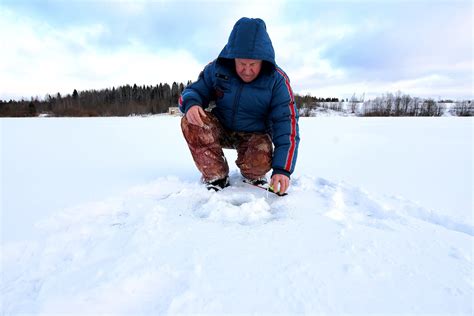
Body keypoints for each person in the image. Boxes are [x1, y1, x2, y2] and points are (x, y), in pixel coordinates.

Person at [179, 17, 300, 195]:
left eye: (253, 64)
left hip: (253, 135)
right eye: (242, 63)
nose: (247, 70)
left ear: (263, 60)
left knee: (258, 162)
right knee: (192, 122)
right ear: (232, 57)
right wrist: (191, 104)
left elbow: (286, 124)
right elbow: (194, 91)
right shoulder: (217, 69)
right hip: (221, 128)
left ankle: (252, 175)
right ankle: (216, 176)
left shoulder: (277, 81)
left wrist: (283, 169)